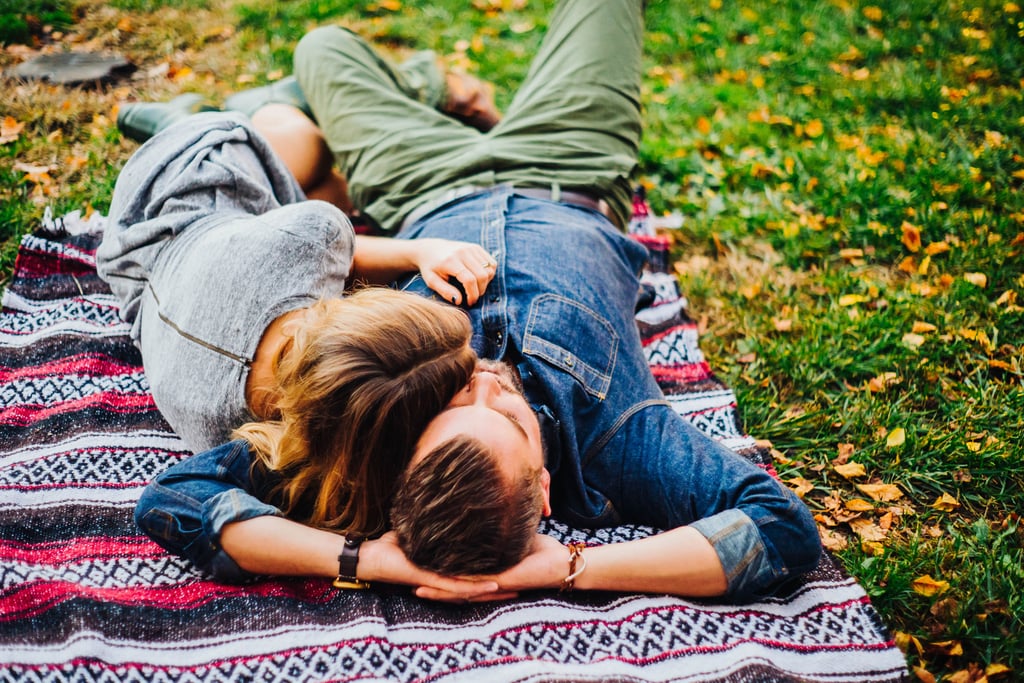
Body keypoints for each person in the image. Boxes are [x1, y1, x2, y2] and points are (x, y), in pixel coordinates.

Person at [132, 0, 822, 602]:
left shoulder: (381, 425)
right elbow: (780, 527)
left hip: (423, 184)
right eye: (510, 421)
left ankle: (425, 96)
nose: (483, 383)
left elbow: (176, 499)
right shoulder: (622, 444)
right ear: (545, 488)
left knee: (323, 46)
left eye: (452, 406)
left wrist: (364, 558)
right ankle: (277, 123)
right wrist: (576, 568)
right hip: (570, 168)